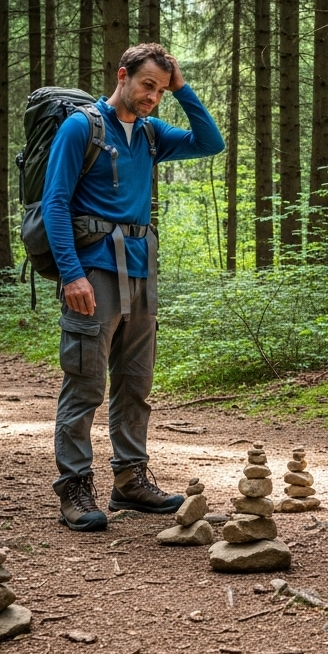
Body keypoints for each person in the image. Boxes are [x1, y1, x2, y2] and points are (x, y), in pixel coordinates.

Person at [41, 43, 224, 531]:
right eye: (148, 85)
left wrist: (182, 88)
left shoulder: (150, 134)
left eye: (162, 90)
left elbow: (211, 143)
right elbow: (55, 203)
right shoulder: (83, 126)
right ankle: (75, 488)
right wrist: (71, 273)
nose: (153, 98)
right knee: (85, 382)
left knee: (135, 383)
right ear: (122, 75)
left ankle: (130, 481)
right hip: (94, 269)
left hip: (141, 270)